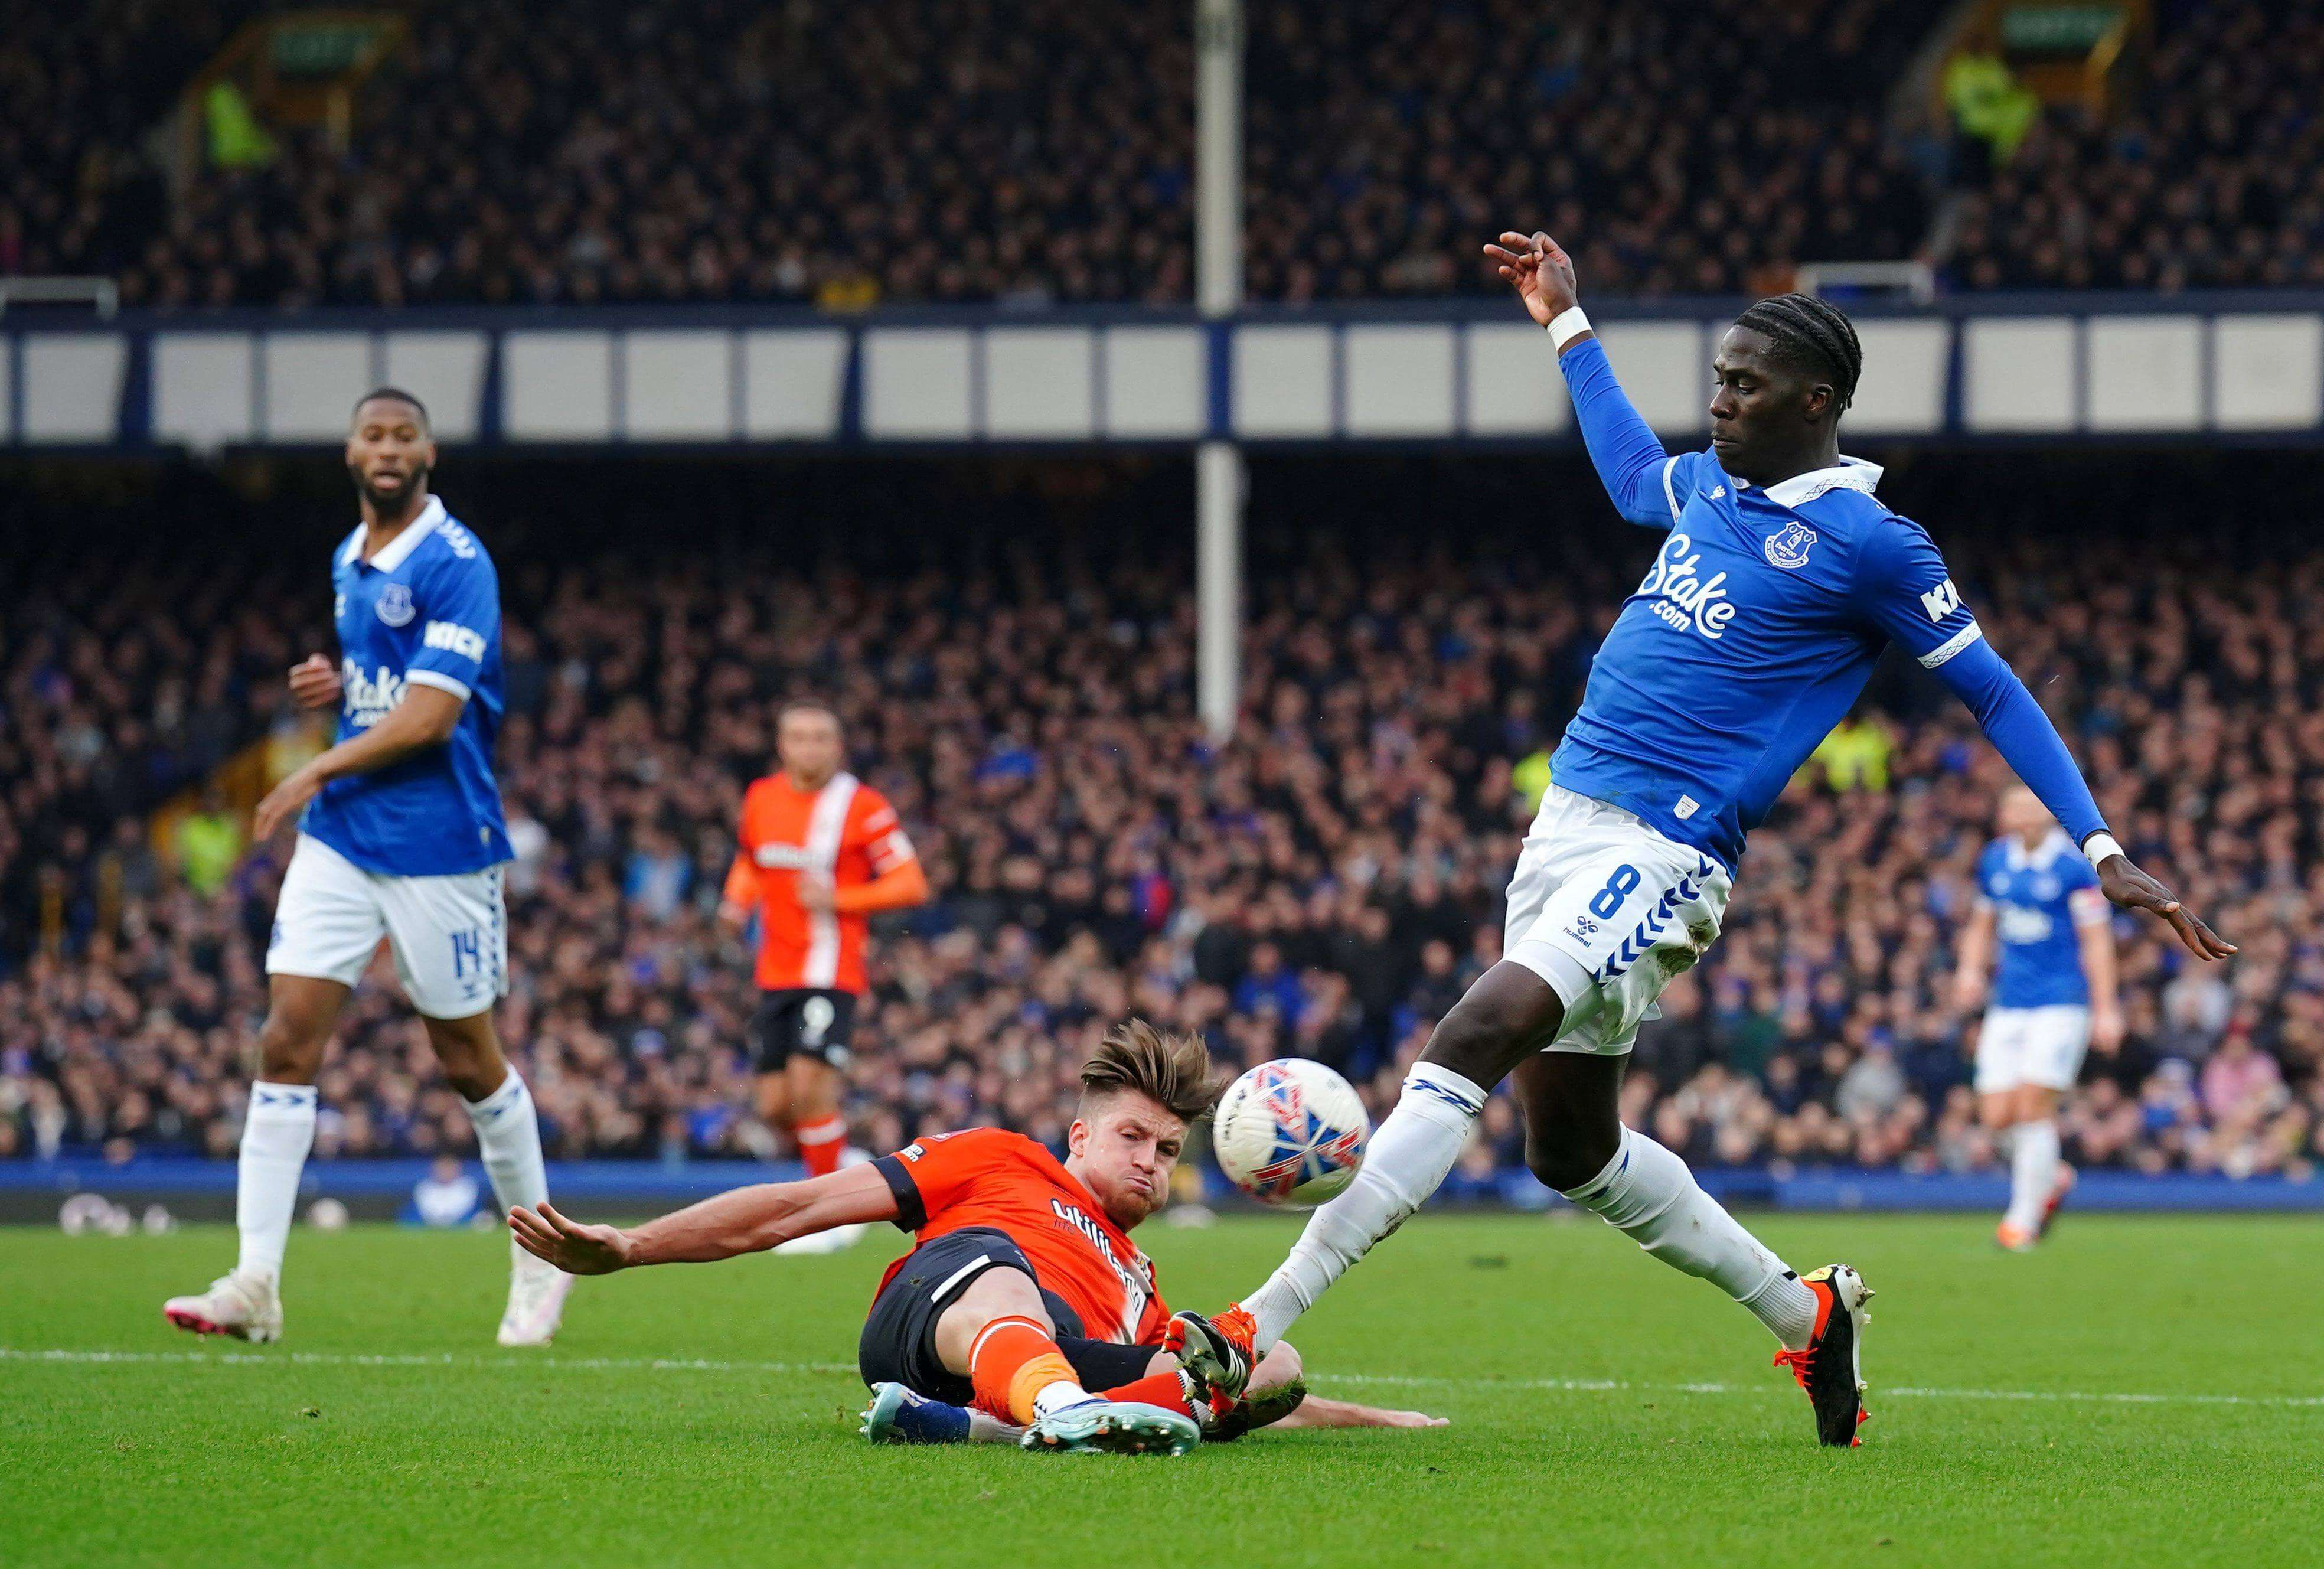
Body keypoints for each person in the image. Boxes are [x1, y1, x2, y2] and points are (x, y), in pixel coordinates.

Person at [1190, 231, 2235, 1449]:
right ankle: (1806, 1310)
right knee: (1570, 1151)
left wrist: (2101, 844)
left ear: (1816, 402)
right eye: (1720, 375)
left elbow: (1995, 690)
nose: (1720, 394)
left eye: (1743, 382)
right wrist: (1566, 325)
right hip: (1569, 823)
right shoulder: (1711, 488)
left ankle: (1255, 1321)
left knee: (1473, 1030)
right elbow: (1635, 475)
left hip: (1668, 846)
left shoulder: (1872, 542)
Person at [508, 1020, 1441, 1455]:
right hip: (938, 1315)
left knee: (1271, 1362)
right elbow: (800, 1207)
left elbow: (1229, 1381)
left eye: (1167, 1148)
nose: (1151, 1162)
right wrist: (632, 1248)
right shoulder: (995, 1159)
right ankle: (1050, 1410)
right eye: (1131, 1137)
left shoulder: (1139, 1280)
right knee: (1003, 1277)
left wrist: (1364, 1416)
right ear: (1078, 1134)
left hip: (1060, 1364)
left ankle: (993, 1426)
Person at [164, 389, 569, 1348]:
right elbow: (390, 686)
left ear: (428, 452)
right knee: (287, 1038)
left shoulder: (459, 560)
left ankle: (543, 1256)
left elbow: (431, 716)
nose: (388, 449)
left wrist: (312, 763)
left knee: (468, 1058)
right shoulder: (349, 557)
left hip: (440, 841)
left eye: (404, 435)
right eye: (372, 435)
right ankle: (255, 1280)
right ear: (350, 450)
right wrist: (340, 689)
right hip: (346, 836)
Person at [720, 700, 928, 1253]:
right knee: (772, 1105)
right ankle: (843, 1165)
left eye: (820, 738)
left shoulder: (862, 806)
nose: (809, 747)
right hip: (775, 972)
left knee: (812, 1089)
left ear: (837, 747)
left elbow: (910, 883)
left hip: (830, 970)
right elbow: (750, 861)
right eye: (799, 737)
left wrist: (838, 897)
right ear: (782, 744)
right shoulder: (761, 797)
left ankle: (824, 1213)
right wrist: (736, 902)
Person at [1950, 785, 2121, 1250]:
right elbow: (1982, 924)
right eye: (2014, 807)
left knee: (2032, 1106)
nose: (2023, 815)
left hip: (2062, 1003)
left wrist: (2106, 1007)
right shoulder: (1995, 860)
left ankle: (2020, 1223)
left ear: (2048, 814)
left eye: (2031, 807)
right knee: (1995, 1115)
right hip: (2009, 1003)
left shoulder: (2071, 867)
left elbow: (2096, 940)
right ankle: (2053, 1175)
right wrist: (1969, 971)